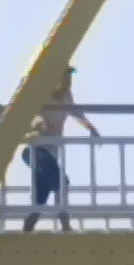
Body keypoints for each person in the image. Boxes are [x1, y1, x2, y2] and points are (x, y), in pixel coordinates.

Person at [22, 67, 99, 232]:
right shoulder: (42, 97)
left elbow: (76, 113)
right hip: (36, 151)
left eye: (69, 78)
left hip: (50, 153)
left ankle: (29, 224)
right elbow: (35, 117)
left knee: (43, 191)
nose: (68, 82)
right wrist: (38, 125)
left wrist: (91, 128)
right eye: (64, 78)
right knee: (62, 182)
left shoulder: (66, 96)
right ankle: (64, 223)